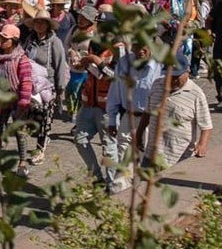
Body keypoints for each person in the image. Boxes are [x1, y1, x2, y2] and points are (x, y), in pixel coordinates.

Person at [71, 13, 121, 193]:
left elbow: (115, 75)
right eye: (99, 23)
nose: (100, 27)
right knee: (79, 138)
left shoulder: (118, 47)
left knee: (108, 146)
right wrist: (81, 63)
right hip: (89, 101)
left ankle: (112, 183)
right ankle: (97, 176)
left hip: (108, 105)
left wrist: (95, 61)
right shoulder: (94, 43)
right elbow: (90, 68)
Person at [139, 51, 213, 169]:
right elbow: (147, 113)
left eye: (176, 77)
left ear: (187, 72)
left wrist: (202, 145)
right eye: (169, 76)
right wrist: (139, 134)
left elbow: (206, 126)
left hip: (178, 158)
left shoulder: (196, 93)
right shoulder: (156, 85)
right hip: (152, 154)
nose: (172, 80)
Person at [106, 40, 164, 180]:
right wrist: (112, 120)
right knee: (123, 161)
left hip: (150, 121)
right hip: (128, 118)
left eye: (144, 46)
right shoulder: (124, 63)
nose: (140, 51)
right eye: (136, 46)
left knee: (146, 163)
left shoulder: (160, 66)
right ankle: (122, 194)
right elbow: (114, 92)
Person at [22, 9, 68, 170]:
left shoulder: (54, 42)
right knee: (31, 118)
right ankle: (41, 140)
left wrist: (60, 88)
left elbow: (60, 65)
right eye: (36, 22)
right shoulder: (29, 40)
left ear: (48, 25)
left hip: (48, 86)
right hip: (31, 85)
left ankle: (40, 149)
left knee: (45, 120)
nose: (38, 25)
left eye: (42, 22)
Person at [0, 24, 33, 175]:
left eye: (5, 38)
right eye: (1, 37)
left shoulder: (21, 59)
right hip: (2, 99)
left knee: (19, 131)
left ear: (14, 40)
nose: (2, 40)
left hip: (17, 100)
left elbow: (26, 82)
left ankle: (22, 162)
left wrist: (23, 103)